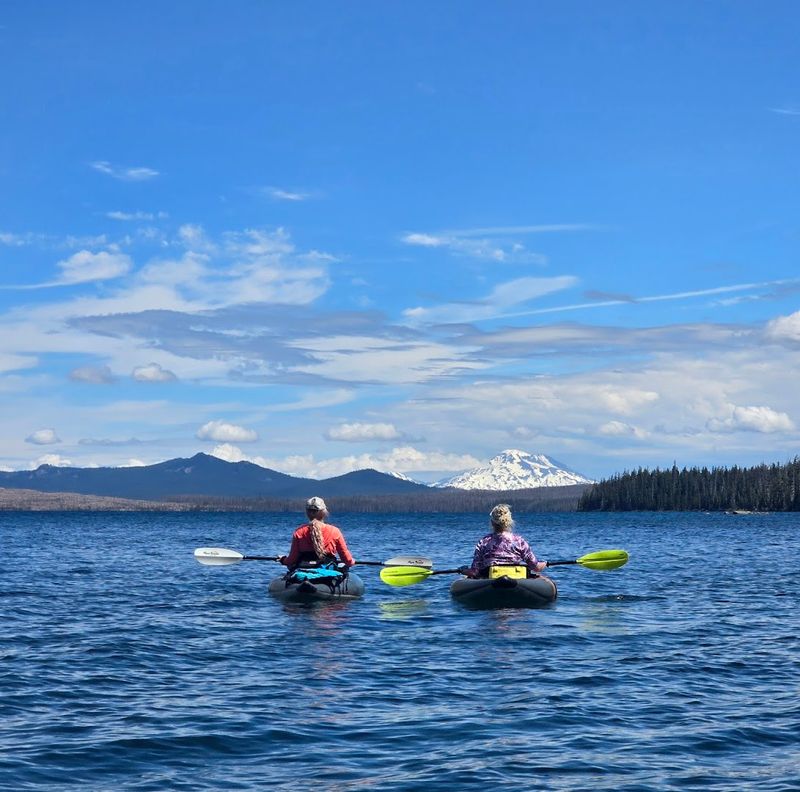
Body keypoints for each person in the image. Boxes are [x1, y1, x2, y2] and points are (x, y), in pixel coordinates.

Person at [461, 503, 547, 578]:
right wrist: (545, 563)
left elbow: (474, 572)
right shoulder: (519, 541)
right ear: (509, 521)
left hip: (490, 580)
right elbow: (536, 567)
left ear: (492, 523)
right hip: (515, 579)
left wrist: (463, 570)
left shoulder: (484, 542)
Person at [281, 496, 355, 569]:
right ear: (324, 512)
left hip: (304, 570)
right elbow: (347, 560)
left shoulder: (299, 532)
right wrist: (351, 561)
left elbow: (292, 559)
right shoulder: (335, 531)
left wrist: (283, 560)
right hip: (327, 571)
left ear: (307, 512)